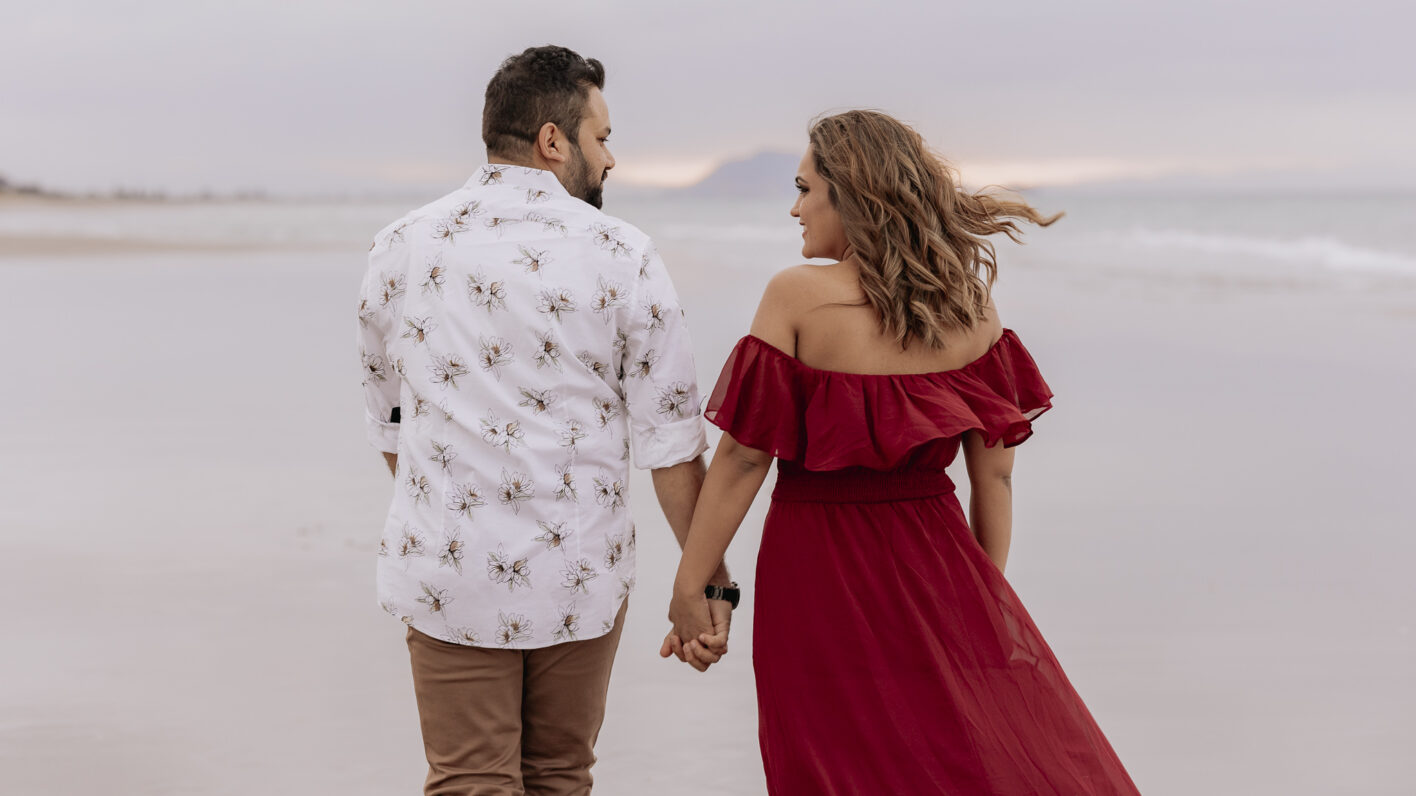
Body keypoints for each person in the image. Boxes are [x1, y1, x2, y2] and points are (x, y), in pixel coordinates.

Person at [663, 110, 1142, 794]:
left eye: (805, 189)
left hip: (817, 574)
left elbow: (743, 460)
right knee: (949, 760)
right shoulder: (972, 309)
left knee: (830, 764)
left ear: (849, 194)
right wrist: (981, 607)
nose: (794, 208)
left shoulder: (796, 297)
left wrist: (693, 587)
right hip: (940, 571)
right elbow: (996, 479)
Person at [357, 45, 732, 796]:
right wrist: (706, 582)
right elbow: (670, 444)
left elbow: (391, 423)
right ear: (552, 141)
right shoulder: (623, 254)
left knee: (469, 780)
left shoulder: (401, 246)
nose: (613, 158)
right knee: (561, 777)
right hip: (580, 573)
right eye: (602, 137)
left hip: (449, 574)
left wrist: (456, 516)